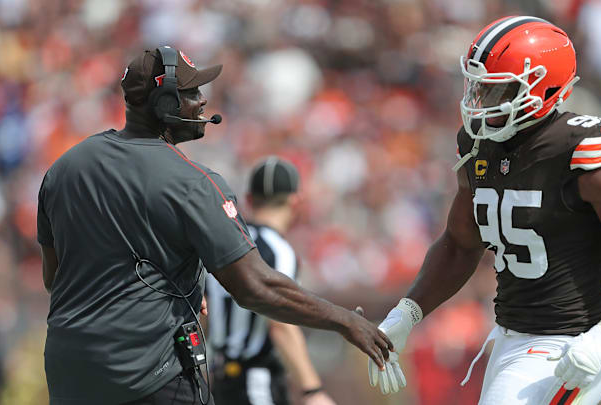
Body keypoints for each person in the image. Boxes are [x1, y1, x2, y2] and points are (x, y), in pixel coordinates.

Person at [37, 46, 391, 405]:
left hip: (69, 378)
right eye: (191, 93)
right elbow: (255, 288)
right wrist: (346, 321)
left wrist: (179, 284)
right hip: (148, 377)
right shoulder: (194, 182)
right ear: (163, 106)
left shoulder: (62, 170)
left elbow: (55, 278)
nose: (202, 101)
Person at [364, 16, 601, 405]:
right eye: (479, 86)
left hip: (567, 348)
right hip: (508, 338)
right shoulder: (479, 145)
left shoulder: (581, 150)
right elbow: (461, 244)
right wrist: (407, 314)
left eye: (498, 90)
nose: (480, 101)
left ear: (543, 88)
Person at [207, 156, 336, 405]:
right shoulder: (278, 251)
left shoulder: (227, 242)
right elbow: (281, 325)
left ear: (249, 199)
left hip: (220, 378)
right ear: (295, 201)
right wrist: (312, 390)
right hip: (255, 379)